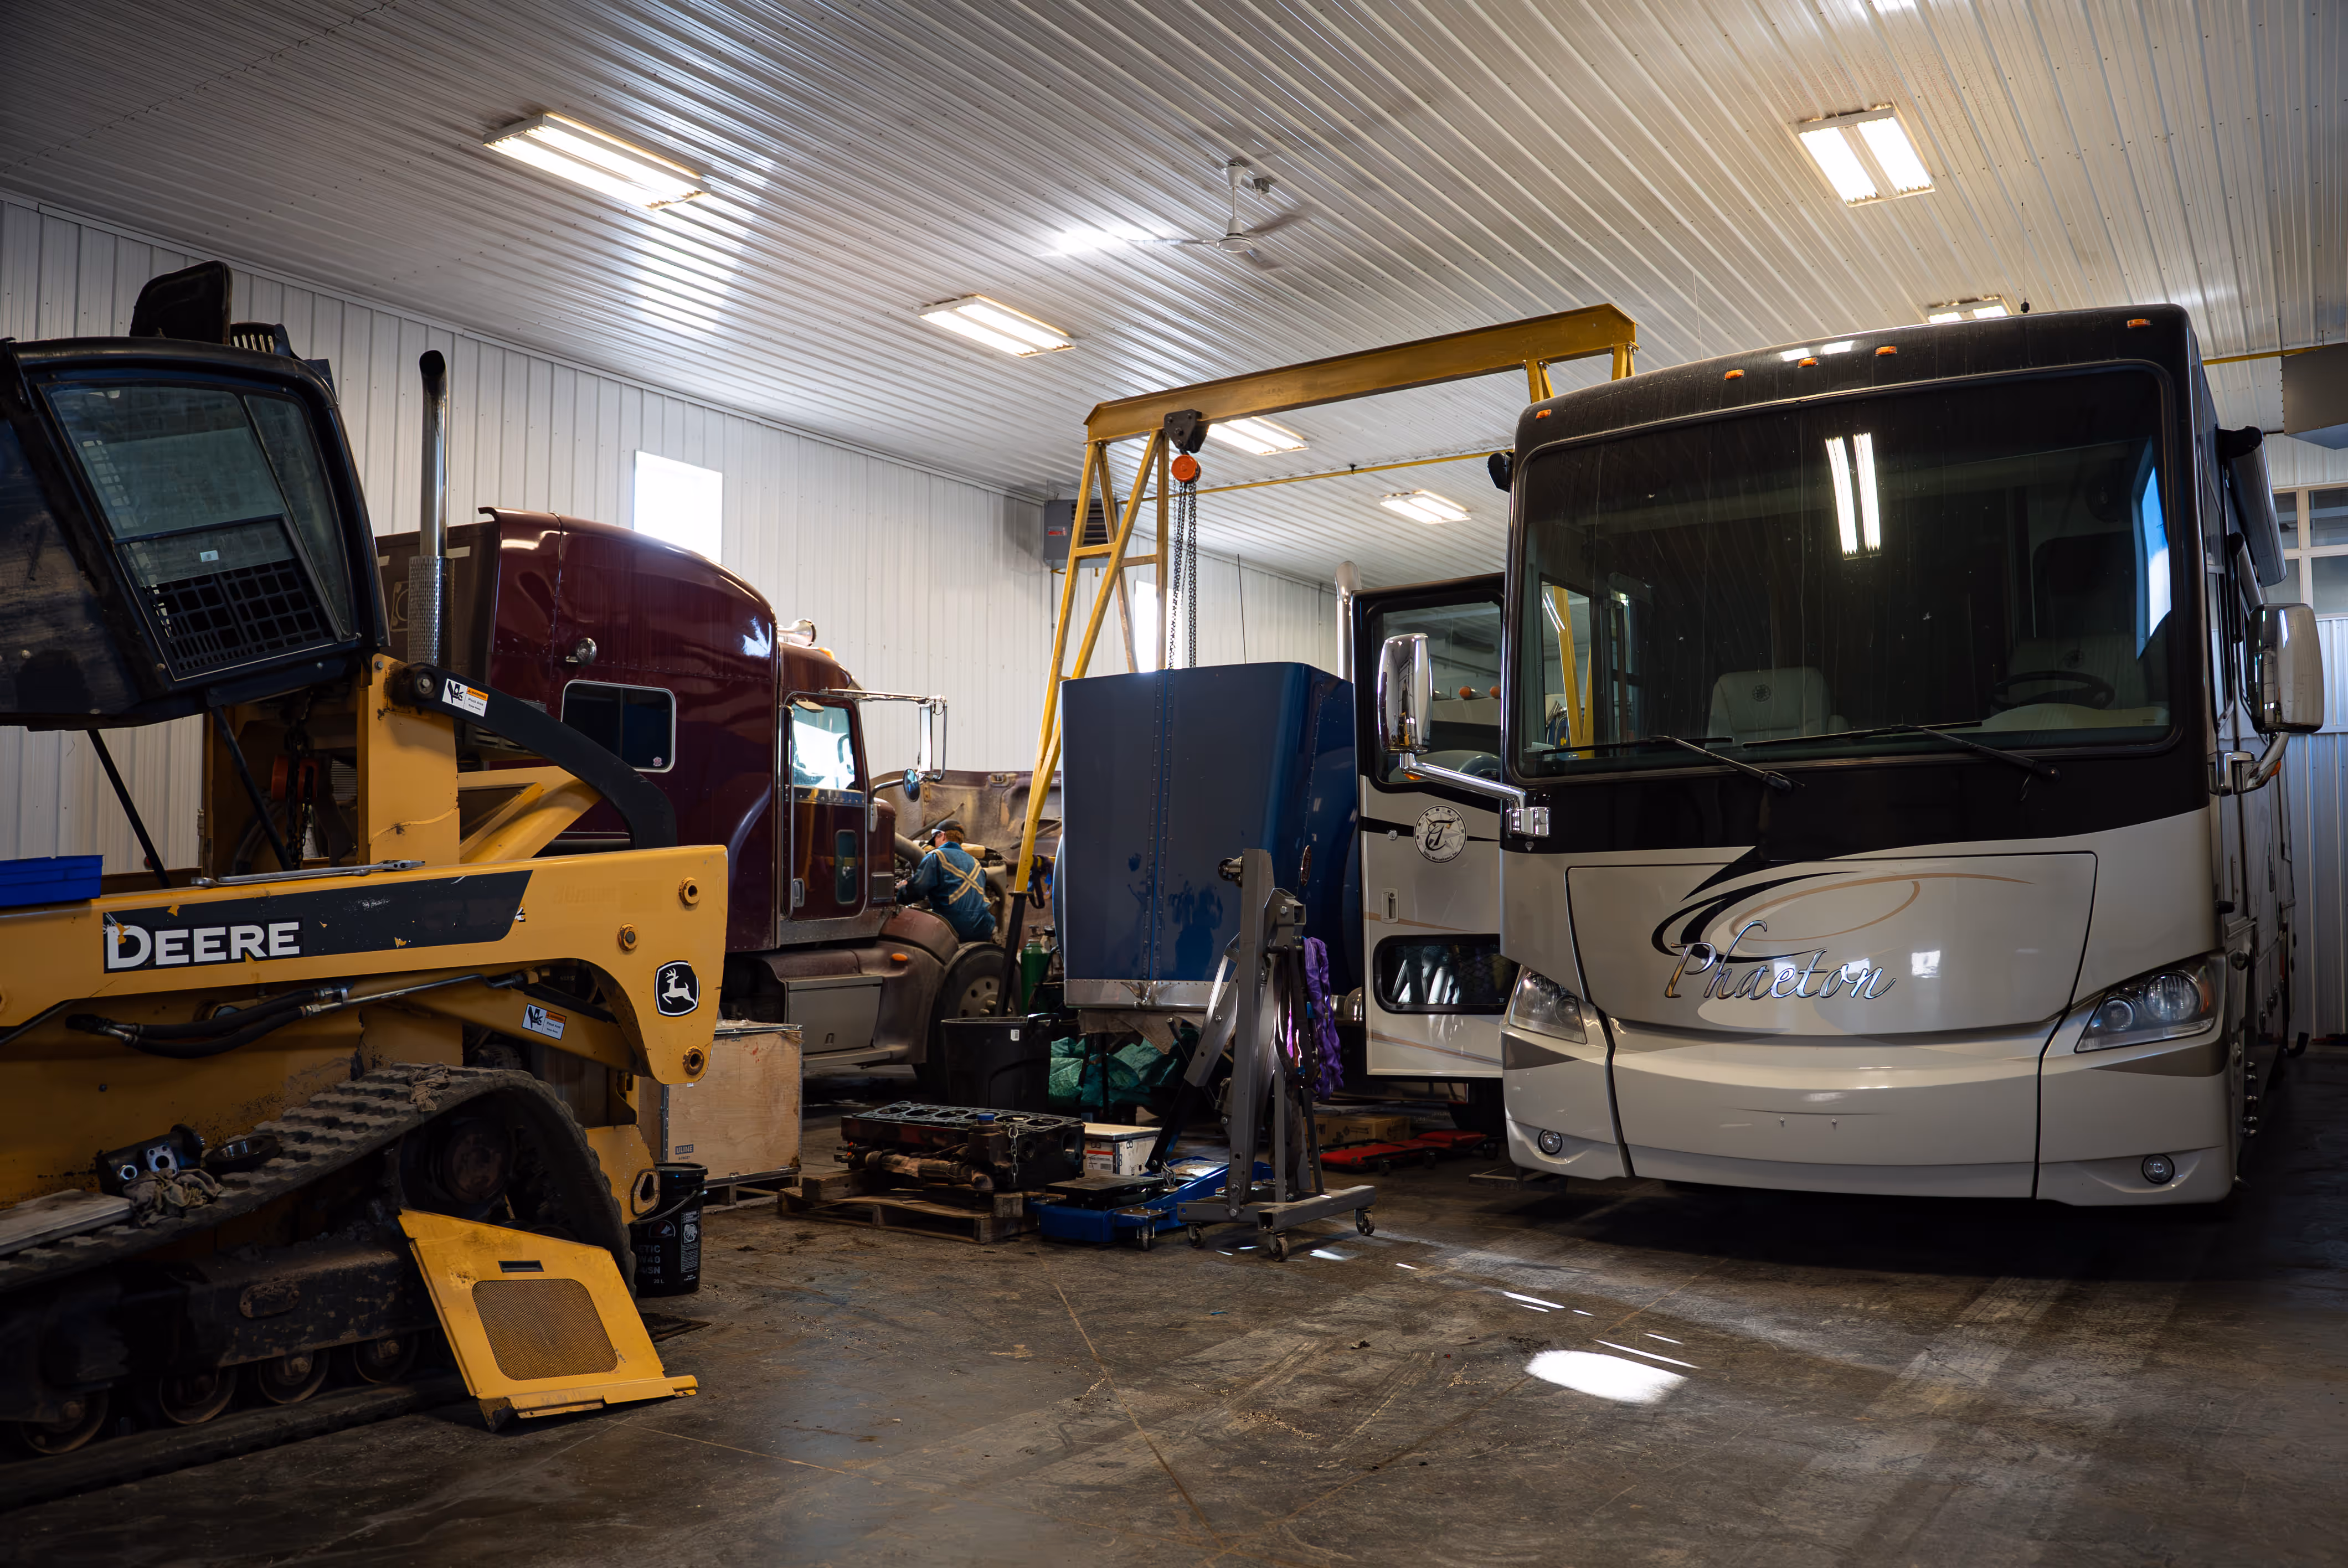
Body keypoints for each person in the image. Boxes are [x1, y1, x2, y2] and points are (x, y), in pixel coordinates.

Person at [897, 824, 995, 942]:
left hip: (952, 927)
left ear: (942, 835)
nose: (935, 845)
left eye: (935, 840)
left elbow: (918, 890)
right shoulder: (975, 862)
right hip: (983, 927)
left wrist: (902, 891)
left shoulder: (936, 856)